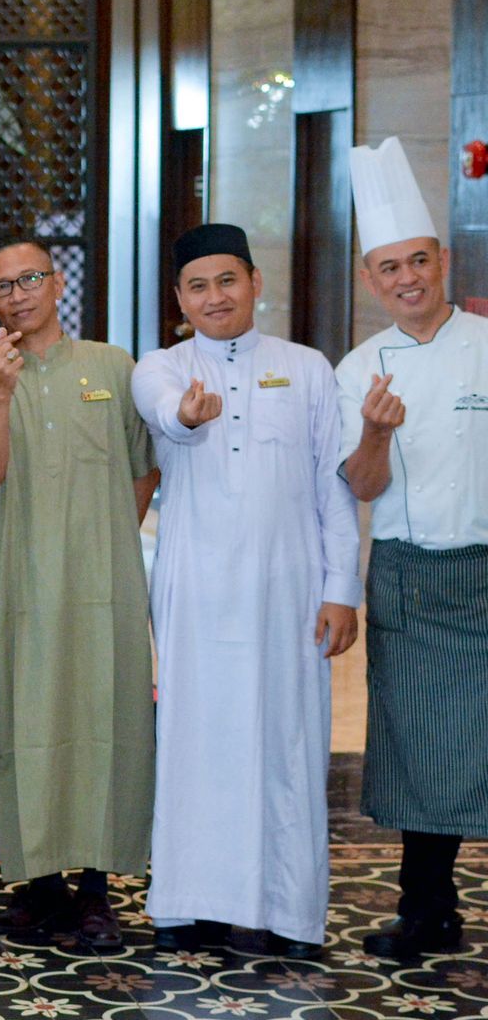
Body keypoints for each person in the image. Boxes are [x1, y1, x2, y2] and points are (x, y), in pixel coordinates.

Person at [132, 222, 359, 959]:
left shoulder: (307, 368)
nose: (214, 296)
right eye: (197, 285)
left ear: (255, 283)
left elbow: (336, 489)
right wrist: (188, 415)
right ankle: (186, 904)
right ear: (178, 298)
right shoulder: (159, 366)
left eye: (227, 279)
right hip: (196, 589)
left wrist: (341, 587)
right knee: (195, 742)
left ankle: (287, 911)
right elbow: (168, 411)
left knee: (286, 743)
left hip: (289, 592)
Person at [0, 235, 157, 948]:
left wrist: (105, 537)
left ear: (57, 282)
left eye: (29, 279)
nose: (17, 295)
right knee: (28, 727)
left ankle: (98, 890)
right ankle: (40, 887)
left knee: (108, 722)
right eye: (1, 287)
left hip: (103, 581)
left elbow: (144, 467)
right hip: (25, 577)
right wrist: (3, 391)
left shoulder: (113, 365)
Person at [337, 137, 488, 961]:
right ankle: (428, 908)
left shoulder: (487, 347)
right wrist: (374, 432)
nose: (407, 279)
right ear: (370, 279)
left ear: (443, 259)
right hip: (409, 578)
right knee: (423, 749)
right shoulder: (357, 369)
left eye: (418, 261)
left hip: (484, 571)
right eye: (389, 267)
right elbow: (360, 486)